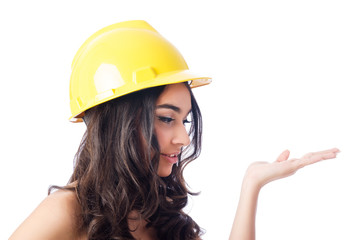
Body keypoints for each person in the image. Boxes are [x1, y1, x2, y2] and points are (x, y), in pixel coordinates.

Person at [9, 20, 340, 240]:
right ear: (119, 124)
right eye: (167, 118)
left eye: (184, 120)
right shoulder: (67, 210)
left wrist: (251, 185)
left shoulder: (157, 209)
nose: (183, 138)